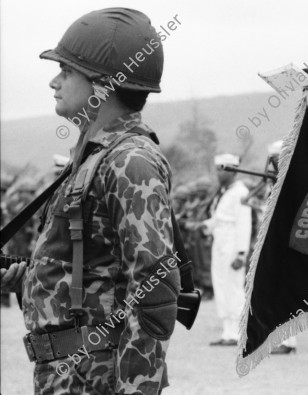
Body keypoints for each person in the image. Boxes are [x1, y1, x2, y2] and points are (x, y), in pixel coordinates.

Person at [0, 8, 179, 394]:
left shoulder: (130, 160)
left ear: (102, 84)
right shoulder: (94, 155)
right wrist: (30, 281)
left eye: (66, 71)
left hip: (96, 377)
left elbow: (155, 286)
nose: (54, 81)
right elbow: (95, 265)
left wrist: (138, 389)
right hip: (71, 373)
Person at [203, 154, 252, 346]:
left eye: (221, 169)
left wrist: (241, 252)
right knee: (221, 285)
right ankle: (227, 332)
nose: (217, 173)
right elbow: (219, 220)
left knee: (233, 286)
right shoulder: (226, 192)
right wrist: (205, 226)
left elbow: (243, 224)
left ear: (231, 170)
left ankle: (239, 333)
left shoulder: (240, 193)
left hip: (233, 243)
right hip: (221, 241)